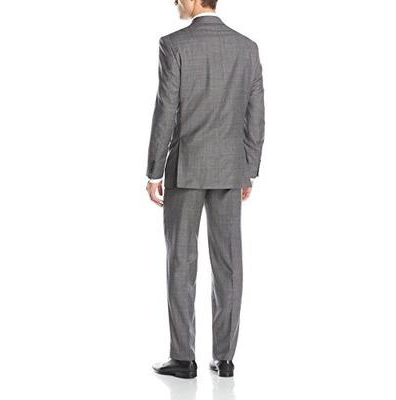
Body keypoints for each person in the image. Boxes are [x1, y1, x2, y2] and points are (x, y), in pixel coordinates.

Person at [146, 0, 265, 379]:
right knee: (229, 263)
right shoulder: (246, 48)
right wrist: (248, 170)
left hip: (186, 168)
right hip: (230, 169)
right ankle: (225, 359)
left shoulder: (174, 45)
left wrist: (153, 171)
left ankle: (183, 359)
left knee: (181, 261)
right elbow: (256, 114)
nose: (176, 2)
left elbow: (165, 109)